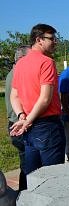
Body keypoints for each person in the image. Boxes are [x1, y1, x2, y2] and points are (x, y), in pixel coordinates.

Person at [10, 23, 66, 177]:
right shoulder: (46, 62)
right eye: (52, 38)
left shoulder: (20, 63)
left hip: (29, 128)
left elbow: (14, 96)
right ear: (39, 39)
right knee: (53, 177)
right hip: (47, 126)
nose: (55, 42)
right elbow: (45, 98)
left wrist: (22, 116)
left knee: (33, 176)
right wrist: (27, 120)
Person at [5, 45, 31, 191]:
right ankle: (25, 196)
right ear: (22, 59)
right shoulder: (18, 75)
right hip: (19, 126)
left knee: (25, 164)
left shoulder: (12, 73)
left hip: (15, 124)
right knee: (27, 166)